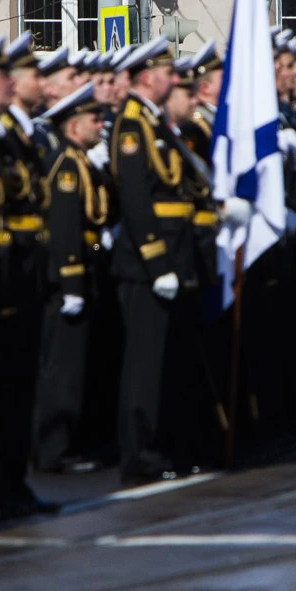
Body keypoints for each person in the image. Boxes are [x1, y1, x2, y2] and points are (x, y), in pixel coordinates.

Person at [109, 35, 195, 484]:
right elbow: (137, 198)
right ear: (146, 76)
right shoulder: (132, 125)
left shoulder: (155, 122)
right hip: (146, 262)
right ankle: (136, 452)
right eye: (167, 71)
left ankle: (156, 444)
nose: (175, 78)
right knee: (142, 362)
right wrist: (157, 262)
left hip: (171, 255)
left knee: (162, 358)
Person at [32, 82, 109, 474]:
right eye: (93, 119)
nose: (100, 124)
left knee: (77, 367)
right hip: (69, 280)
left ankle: (67, 444)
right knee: (62, 369)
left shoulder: (82, 161)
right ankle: (51, 449)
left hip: (88, 269)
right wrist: (72, 284)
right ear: (73, 126)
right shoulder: (66, 167)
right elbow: (64, 228)